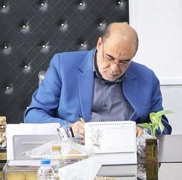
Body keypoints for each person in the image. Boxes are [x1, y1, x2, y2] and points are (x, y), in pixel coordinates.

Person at [24, 22, 170, 134]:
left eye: (124, 62)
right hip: (76, 152)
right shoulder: (63, 65)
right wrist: (69, 128)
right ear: (99, 44)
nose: (114, 68)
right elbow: (33, 115)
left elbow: (163, 127)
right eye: (109, 58)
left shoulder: (147, 78)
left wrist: (143, 132)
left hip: (125, 154)